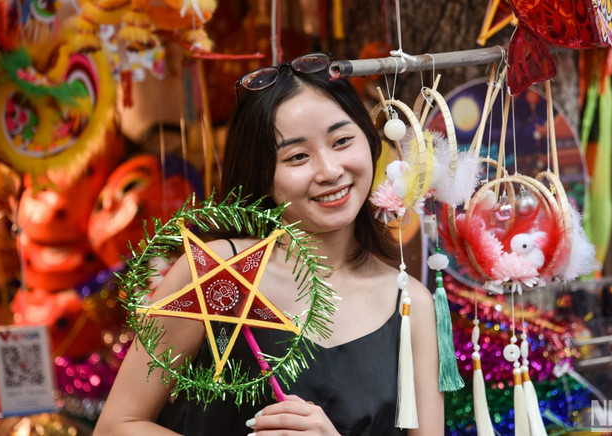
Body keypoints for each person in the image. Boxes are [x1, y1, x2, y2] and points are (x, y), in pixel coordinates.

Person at [95, 52, 444, 435]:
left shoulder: (410, 303)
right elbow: (117, 425)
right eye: (297, 156)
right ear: (263, 174)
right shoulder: (217, 273)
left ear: (371, 143)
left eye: (342, 140)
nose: (329, 171)